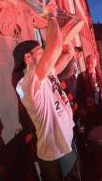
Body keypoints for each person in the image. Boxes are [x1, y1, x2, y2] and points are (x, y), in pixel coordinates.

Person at [13, 15, 79, 181]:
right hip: (56, 155)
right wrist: (50, 17)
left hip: (67, 144)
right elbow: (55, 46)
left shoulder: (46, 74)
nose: (45, 53)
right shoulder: (27, 83)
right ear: (28, 58)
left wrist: (65, 35)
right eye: (40, 51)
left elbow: (68, 52)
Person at [76, 54, 102, 133]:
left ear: (95, 63)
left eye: (91, 63)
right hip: (87, 108)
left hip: (100, 106)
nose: (89, 65)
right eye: (87, 63)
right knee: (90, 129)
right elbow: (78, 94)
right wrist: (81, 108)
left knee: (101, 127)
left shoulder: (100, 74)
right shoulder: (81, 76)